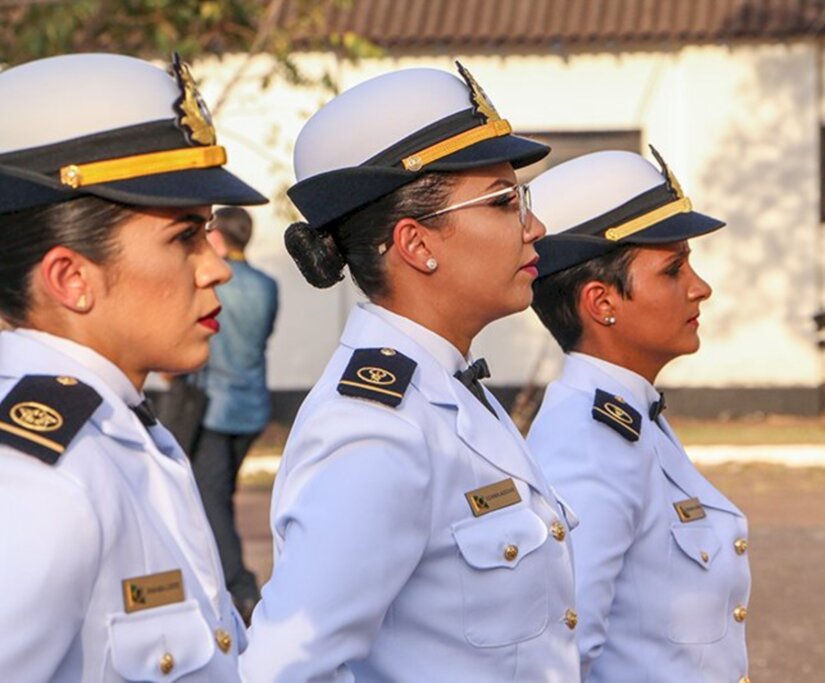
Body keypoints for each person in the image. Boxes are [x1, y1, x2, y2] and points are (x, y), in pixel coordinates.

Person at [242, 64, 580, 682]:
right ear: (417, 244)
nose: (535, 227)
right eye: (505, 202)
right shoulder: (374, 428)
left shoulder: (451, 388)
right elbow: (283, 669)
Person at [0, 52, 267, 681]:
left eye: (208, 232)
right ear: (72, 278)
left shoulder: (123, 432)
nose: (217, 266)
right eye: (184, 237)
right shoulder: (39, 478)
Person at [526, 149, 752, 683]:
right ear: (602, 302)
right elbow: (562, 654)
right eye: (673, 269)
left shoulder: (633, 417)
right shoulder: (589, 441)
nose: (700, 287)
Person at [190, 206, 278, 623]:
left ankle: (238, 586)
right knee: (220, 494)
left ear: (219, 239)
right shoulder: (267, 285)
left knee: (213, 499)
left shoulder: (215, 286)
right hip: (253, 404)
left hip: (213, 405)